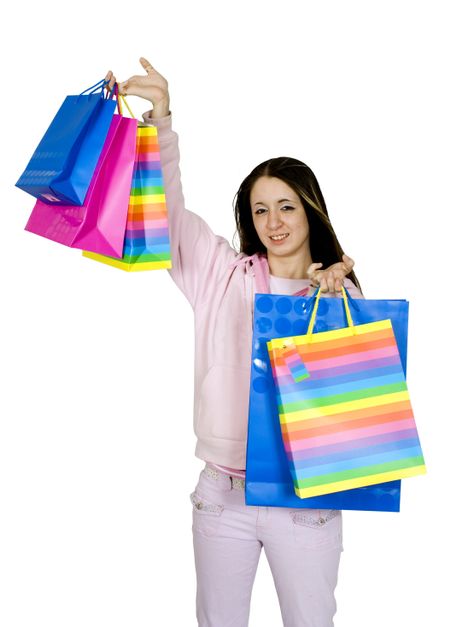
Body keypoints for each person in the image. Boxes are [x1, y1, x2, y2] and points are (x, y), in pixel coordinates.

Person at [106, 58, 364, 627]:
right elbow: (166, 216)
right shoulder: (220, 273)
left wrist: (335, 302)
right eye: (260, 209)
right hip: (222, 495)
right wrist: (161, 123)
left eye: (287, 206)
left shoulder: (338, 295)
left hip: (306, 501)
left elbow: (354, 407)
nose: (274, 222)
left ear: (310, 209)